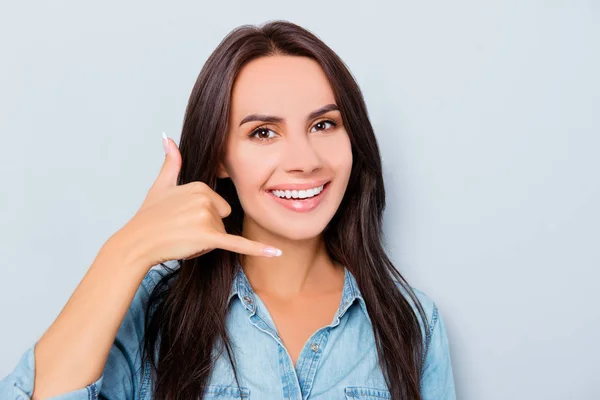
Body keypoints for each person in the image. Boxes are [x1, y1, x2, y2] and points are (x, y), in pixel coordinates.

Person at [0, 20, 456, 400]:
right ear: (220, 157)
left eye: (323, 124)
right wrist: (128, 249)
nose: (305, 159)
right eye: (263, 132)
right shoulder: (156, 315)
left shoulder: (411, 323)